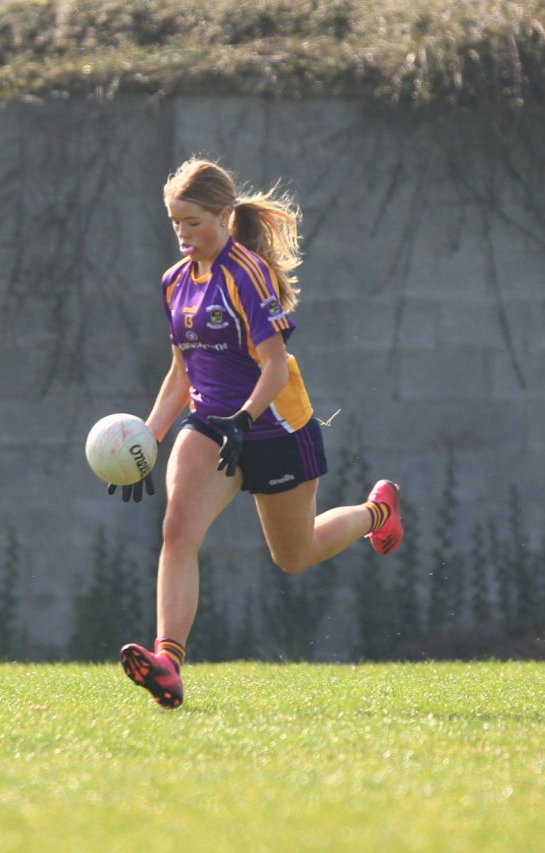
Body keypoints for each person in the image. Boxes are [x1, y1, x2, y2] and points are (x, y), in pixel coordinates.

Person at [113, 158, 403, 709]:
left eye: (193, 222)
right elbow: (182, 372)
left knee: (295, 555)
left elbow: (274, 365)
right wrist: (147, 439)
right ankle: (167, 663)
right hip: (210, 427)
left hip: (274, 427)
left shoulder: (248, 275)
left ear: (224, 215)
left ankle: (377, 514)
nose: (183, 235)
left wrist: (244, 420)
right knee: (178, 530)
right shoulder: (175, 282)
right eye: (175, 223)